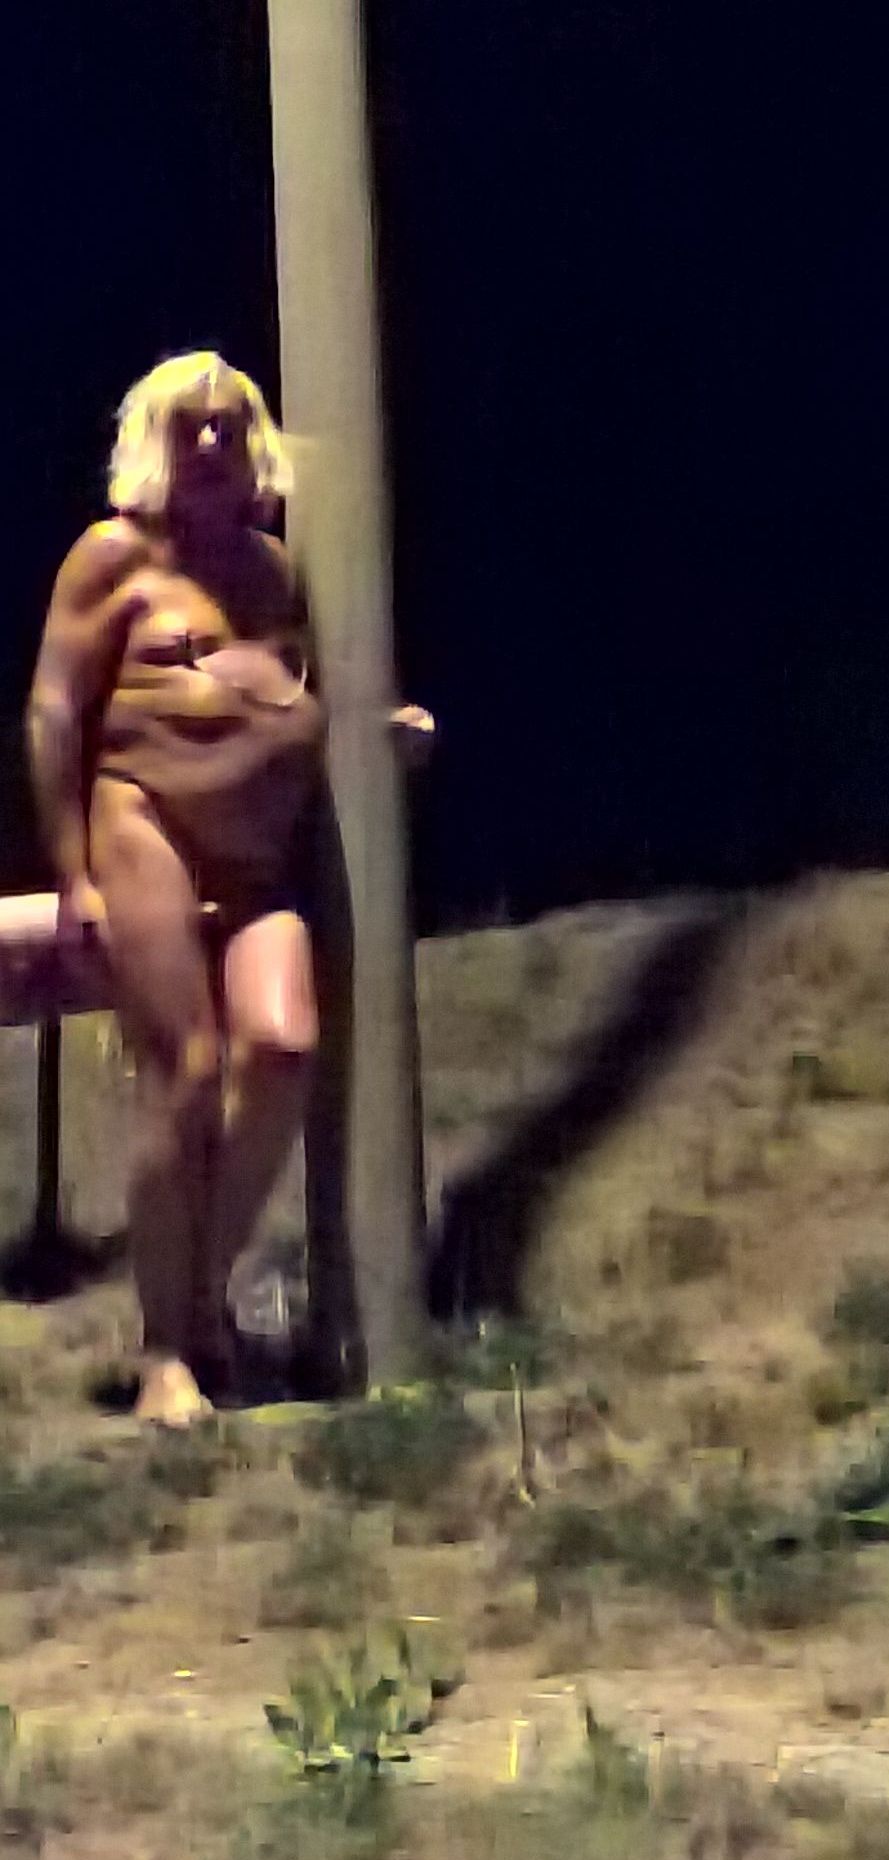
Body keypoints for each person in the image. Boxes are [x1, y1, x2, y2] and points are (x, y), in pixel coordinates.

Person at [26, 351, 432, 1426]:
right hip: (143, 826)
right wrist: (72, 873)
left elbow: (292, 693)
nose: (210, 444)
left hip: (256, 854)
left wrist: (378, 728)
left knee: (285, 1045)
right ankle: (167, 1352)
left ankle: (203, 1298)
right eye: (189, 426)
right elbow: (55, 713)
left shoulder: (273, 566)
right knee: (187, 1074)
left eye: (228, 426)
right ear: (153, 442)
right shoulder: (112, 557)